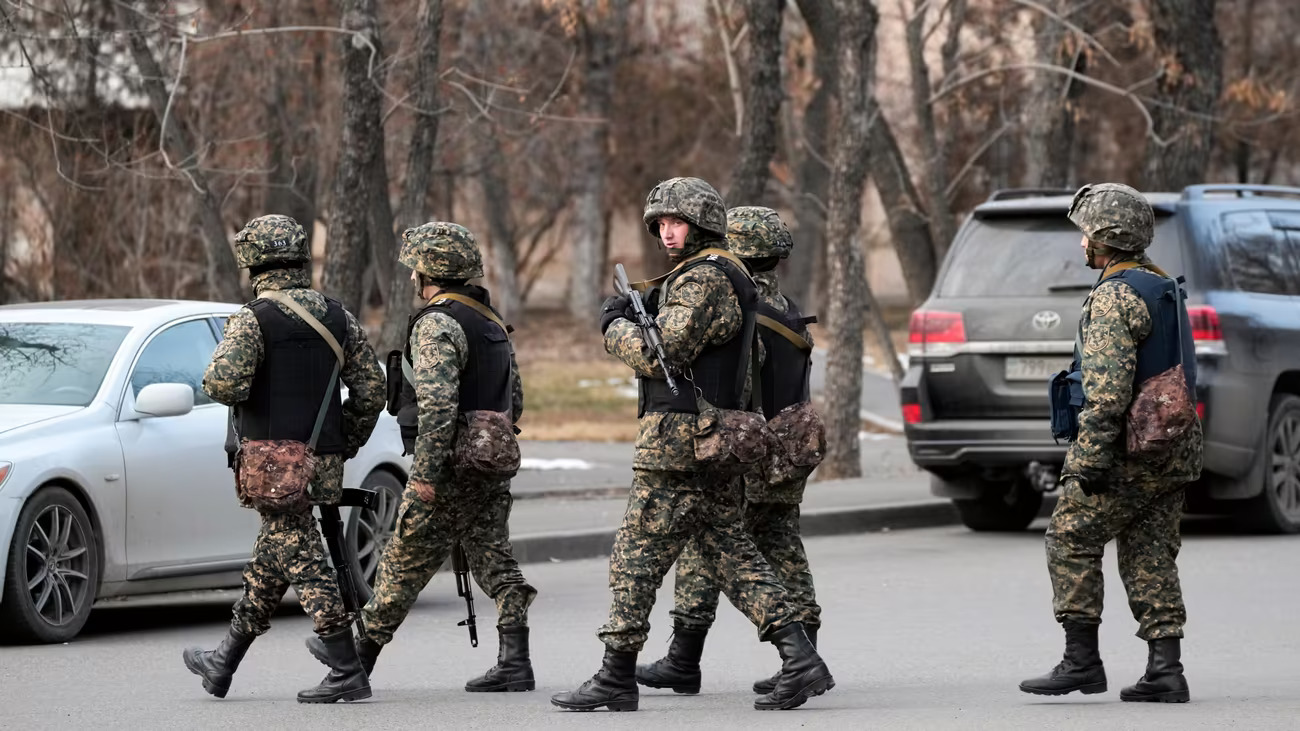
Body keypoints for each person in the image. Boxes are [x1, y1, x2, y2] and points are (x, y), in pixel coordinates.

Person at [551, 178, 834, 713]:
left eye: (675, 221)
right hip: (707, 441)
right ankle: (800, 656)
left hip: (679, 443)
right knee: (730, 553)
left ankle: (615, 675)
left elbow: (664, 354)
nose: (665, 231)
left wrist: (615, 326)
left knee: (633, 558)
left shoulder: (704, 278)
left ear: (702, 224)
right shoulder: (719, 275)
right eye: (658, 223)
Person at [307, 221, 538, 693]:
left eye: (415, 267)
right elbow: (515, 397)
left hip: (448, 466)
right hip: (490, 461)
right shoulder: (491, 321)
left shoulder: (437, 322)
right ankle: (515, 661)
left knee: (403, 564)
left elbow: (437, 404)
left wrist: (428, 474)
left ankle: (354, 666)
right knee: (495, 560)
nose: (412, 275)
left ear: (427, 271)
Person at [186, 214, 385, 703]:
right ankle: (223, 663)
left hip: (272, 466)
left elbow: (222, 384)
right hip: (325, 461)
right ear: (300, 260)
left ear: (252, 264)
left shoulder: (252, 317)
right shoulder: (339, 316)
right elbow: (372, 389)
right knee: (274, 557)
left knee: (302, 555)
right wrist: (345, 442)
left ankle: (345, 668)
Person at [1021, 183, 1202, 703]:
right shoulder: (1163, 286)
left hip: (1127, 450)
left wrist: (1088, 463)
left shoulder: (1114, 296)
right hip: (1173, 447)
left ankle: (1081, 662)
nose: (1081, 244)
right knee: (1150, 553)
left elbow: (1105, 395)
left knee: (1069, 538)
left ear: (1105, 238)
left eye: (1085, 234)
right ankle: (1166, 670)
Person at [637, 205, 822, 697]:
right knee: (781, 547)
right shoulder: (788, 307)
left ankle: (690, 657)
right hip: (790, 443)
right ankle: (804, 651)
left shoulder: (738, 306)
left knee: (715, 544)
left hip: (748, 444)